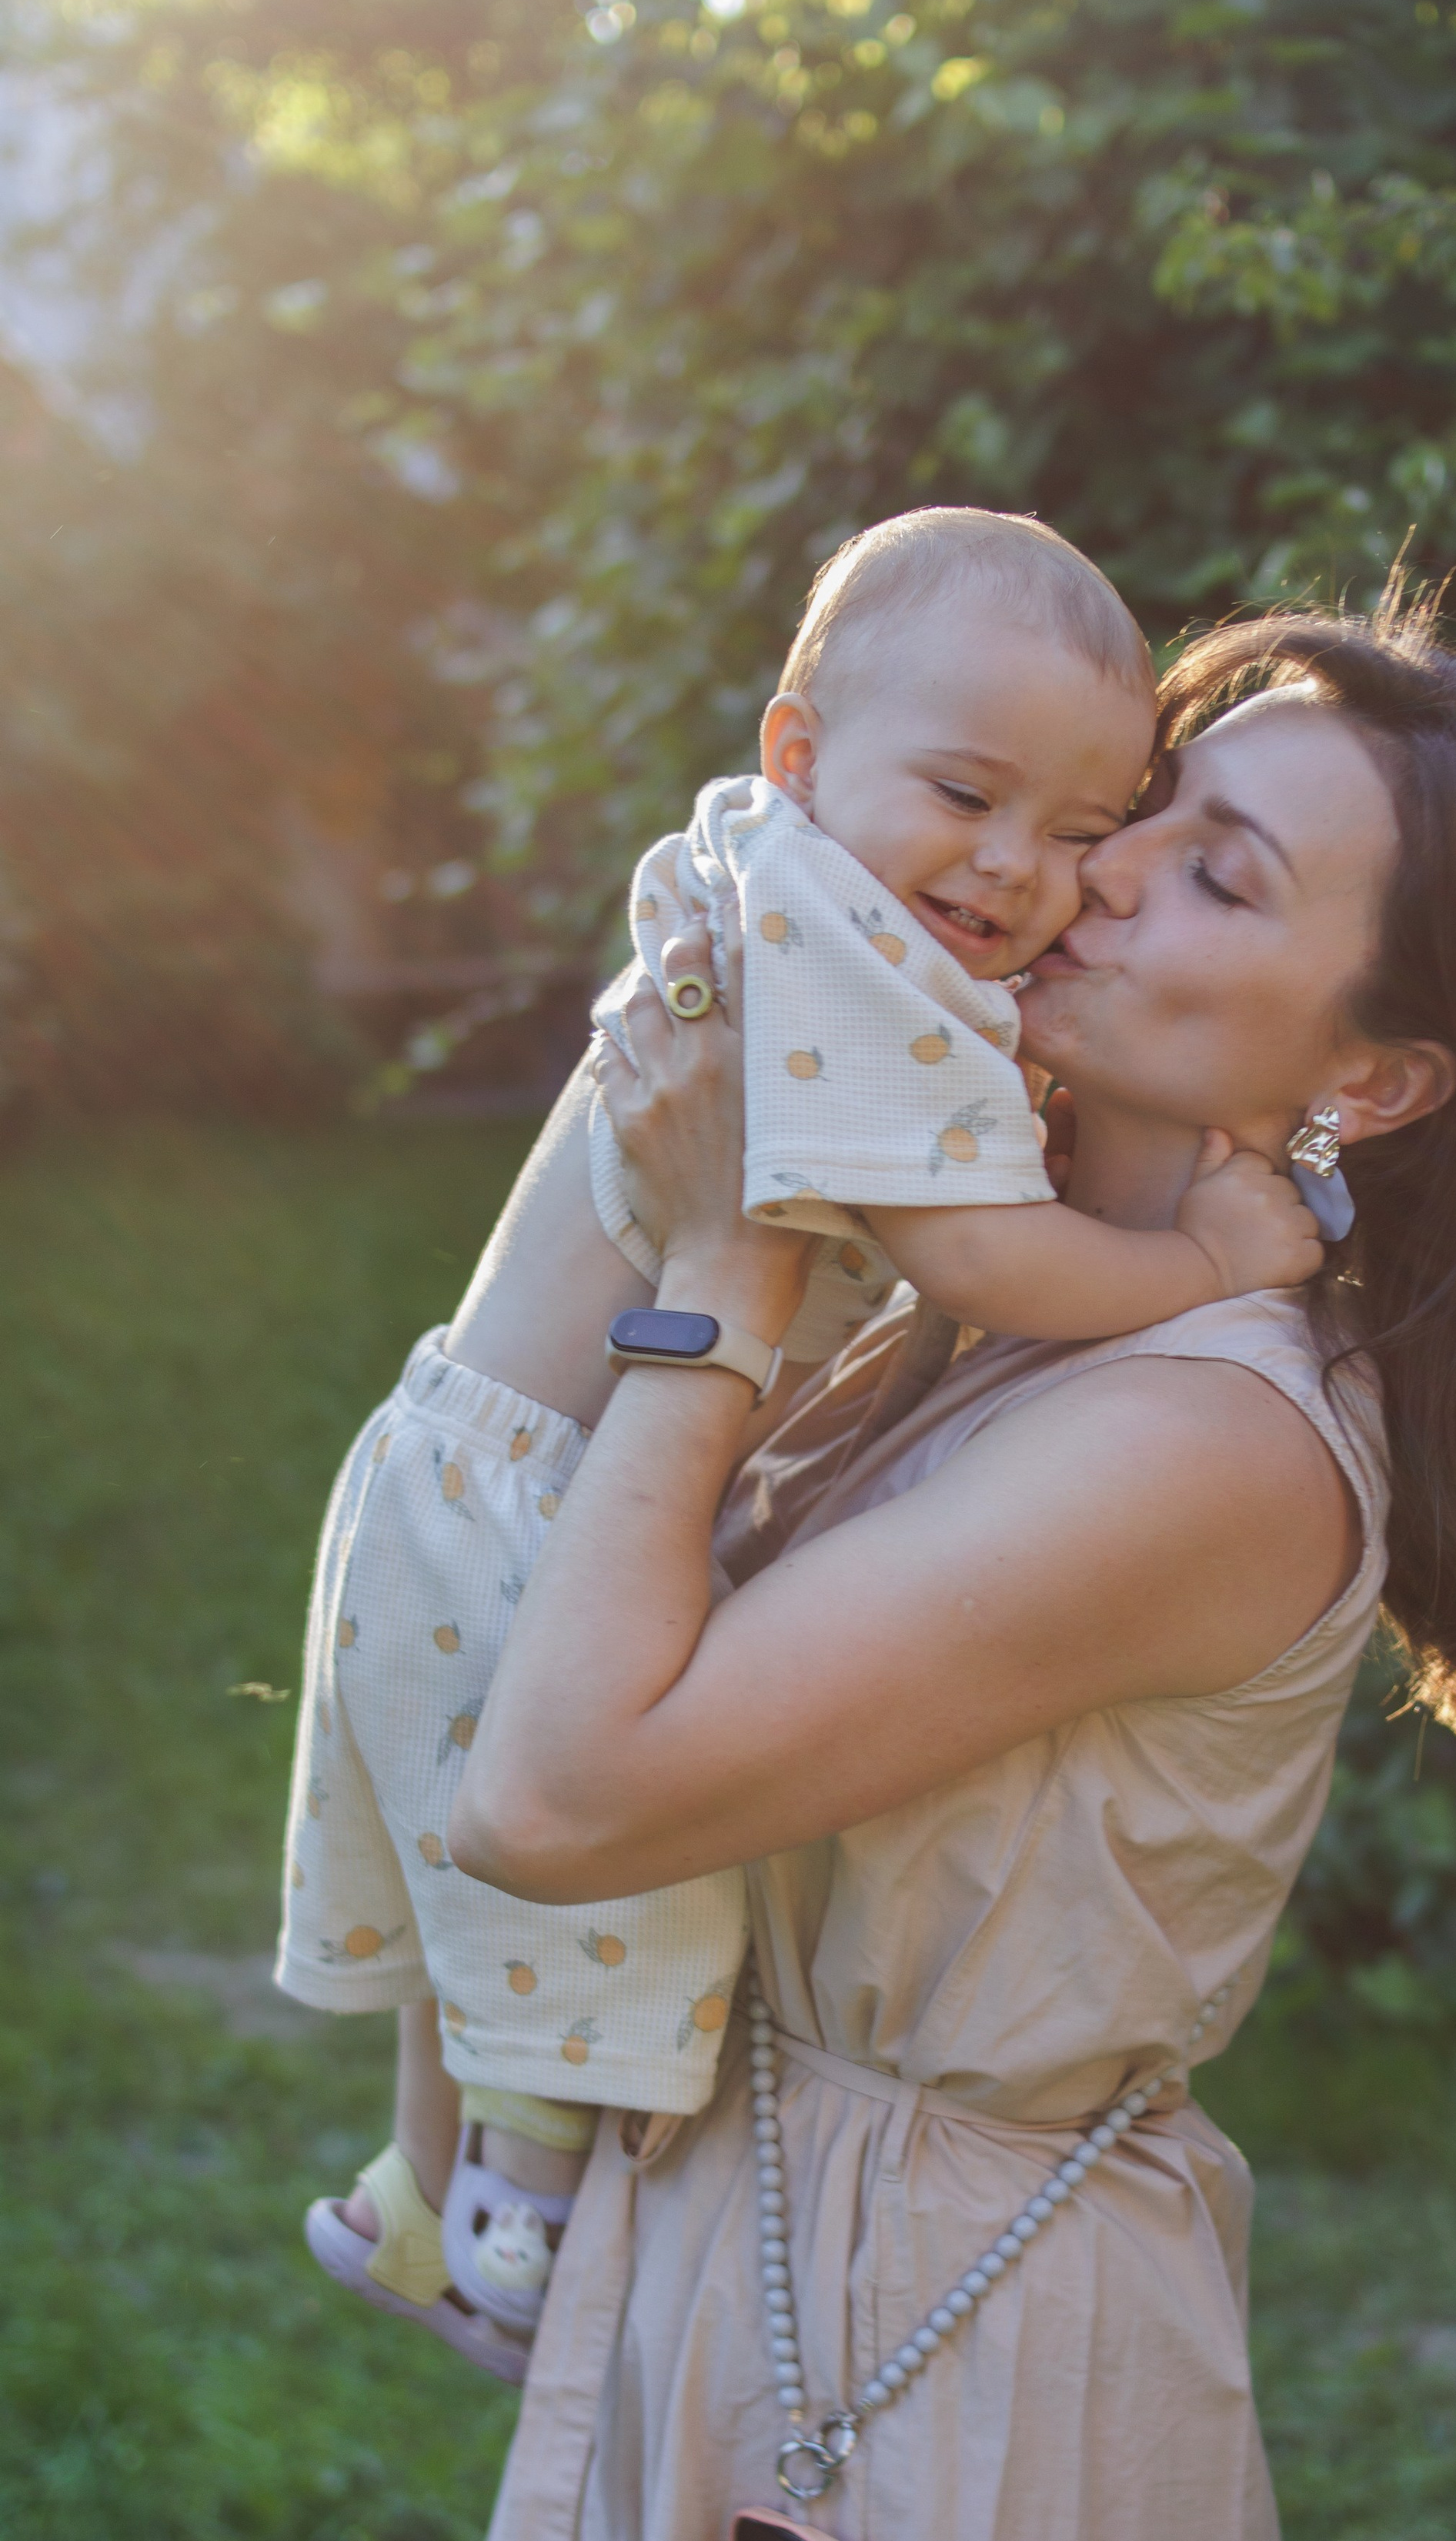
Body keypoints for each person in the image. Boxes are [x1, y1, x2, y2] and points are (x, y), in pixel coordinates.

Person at [407, 597, 1456, 2541]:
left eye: (1221, 878)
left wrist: (724, 1262)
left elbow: (557, 1792)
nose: (1096, 876)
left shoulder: (1215, 1440)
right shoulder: (989, 1296)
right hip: (751, 2249)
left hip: (962, 2363)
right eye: (1146, 819)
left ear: (1370, 1079)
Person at [275, 508, 1324, 2382]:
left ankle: (409, 2190)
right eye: (969, 795)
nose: (1020, 872)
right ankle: (522, 2226)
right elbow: (972, 1254)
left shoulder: (774, 874)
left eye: (1078, 833)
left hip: (463, 1447)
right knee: (592, 1885)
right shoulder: (839, 954)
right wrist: (1190, 1258)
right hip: (541, 1485)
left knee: (463, 1855)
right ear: (798, 750)